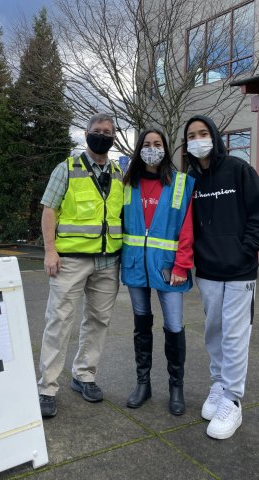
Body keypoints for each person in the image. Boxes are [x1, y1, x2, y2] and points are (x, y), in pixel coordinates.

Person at [38, 112, 124, 417]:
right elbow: (49, 211)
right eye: (97, 130)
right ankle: (47, 387)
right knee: (59, 322)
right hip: (70, 261)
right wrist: (50, 251)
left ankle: (84, 375)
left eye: (108, 131)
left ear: (114, 137)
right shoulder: (67, 168)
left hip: (107, 262)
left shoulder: (118, 173)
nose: (102, 134)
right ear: (86, 134)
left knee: (98, 321)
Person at [184, 115, 259, 439]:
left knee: (234, 336)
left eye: (203, 133)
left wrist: (248, 249)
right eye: (192, 135)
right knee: (214, 332)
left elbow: (257, 212)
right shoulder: (190, 180)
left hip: (240, 270)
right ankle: (218, 385)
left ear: (214, 136)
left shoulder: (239, 170)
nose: (198, 138)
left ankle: (233, 399)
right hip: (209, 271)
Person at [121, 129, 194, 416]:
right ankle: (143, 383)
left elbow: (188, 229)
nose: (152, 149)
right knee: (141, 325)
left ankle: (176, 387)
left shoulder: (182, 184)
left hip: (169, 269)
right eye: (147, 145)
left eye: (157, 144)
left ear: (165, 148)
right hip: (135, 266)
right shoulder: (127, 185)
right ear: (139, 149)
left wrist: (182, 265)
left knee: (174, 327)